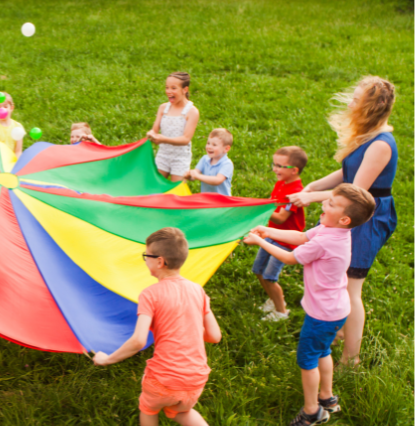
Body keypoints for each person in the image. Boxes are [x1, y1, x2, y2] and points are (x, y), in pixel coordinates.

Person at [244, 183, 376, 426]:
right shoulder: (331, 230)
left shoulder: (326, 241)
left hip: (322, 314)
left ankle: (311, 411)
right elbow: (301, 237)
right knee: (323, 350)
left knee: (307, 361)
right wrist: (268, 230)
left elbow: (289, 257)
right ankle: (327, 397)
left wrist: (259, 241)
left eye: (331, 204)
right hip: (334, 309)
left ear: (345, 219)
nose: (323, 204)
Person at [287, 76, 397, 366]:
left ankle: (351, 358)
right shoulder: (366, 136)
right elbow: (345, 172)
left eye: (356, 98)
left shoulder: (381, 144)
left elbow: (356, 192)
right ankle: (337, 328)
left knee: (351, 285)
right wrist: (312, 186)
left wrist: (312, 198)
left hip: (367, 216)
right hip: (353, 208)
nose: (350, 102)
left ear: (370, 108)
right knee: (338, 276)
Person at [93, 228, 222, 426]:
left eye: (147, 256)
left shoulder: (150, 295)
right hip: (196, 379)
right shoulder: (198, 290)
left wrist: (107, 359)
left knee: (149, 409)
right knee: (182, 412)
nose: (145, 260)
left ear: (160, 261)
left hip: (162, 380)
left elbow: (138, 340)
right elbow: (214, 336)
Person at [251, 146, 308, 321]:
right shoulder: (281, 183)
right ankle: (274, 300)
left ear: (294, 170)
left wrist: (260, 210)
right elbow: (272, 205)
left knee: (269, 276)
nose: (275, 169)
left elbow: (281, 218)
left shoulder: (296, 193)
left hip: (285, 240)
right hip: (272, 235)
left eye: (279, 166)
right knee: (258, 270)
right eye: (274, 164)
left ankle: (281, 311)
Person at [146, 72, 200, 182]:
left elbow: (186, 139)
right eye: (167, 87)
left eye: (173, 88)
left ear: (185, 90)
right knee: (155, 189)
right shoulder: (163, 108)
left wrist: (163, 139)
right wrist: (151, 134)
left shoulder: (192, 111)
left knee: (176, 193)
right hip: (163, 155)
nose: (169, 91)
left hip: (180, 158)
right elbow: (155, 129)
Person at [186, 128, 234, 196]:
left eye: (214, 145)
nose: (209, 147)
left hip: (222, 202)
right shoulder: (205, 159)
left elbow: (218, 180)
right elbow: (195, 174)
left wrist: (198, 176)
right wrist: (189, 175)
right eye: (208, 143)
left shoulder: (227, 164)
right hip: (207, 199)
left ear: (226, 148)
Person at [0, 92, 25, 157]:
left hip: (13, 161)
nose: (2, 109)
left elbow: (18, 151)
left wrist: (15, 164)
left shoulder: (18, 127)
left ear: (11, 108)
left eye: (5, 106)